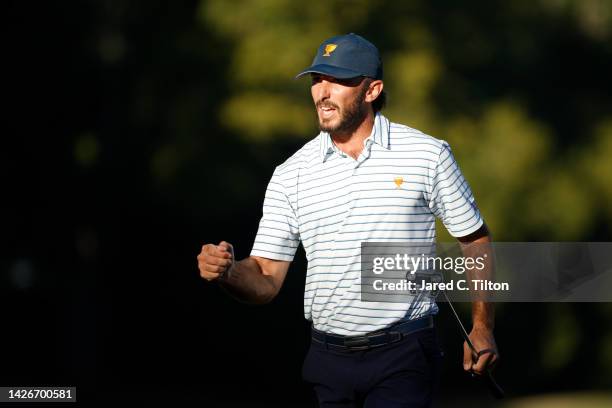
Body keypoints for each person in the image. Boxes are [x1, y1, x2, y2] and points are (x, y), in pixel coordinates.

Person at [197, 33, 498, 407]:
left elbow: (474, 241)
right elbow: (265, 279)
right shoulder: (291, 173)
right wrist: (228, 271)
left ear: (372, 90)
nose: (323, 92)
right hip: (327, 359)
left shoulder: (427, 155)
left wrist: (482, 327)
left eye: (337, 81)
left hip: (405, 353)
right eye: (317, 80)